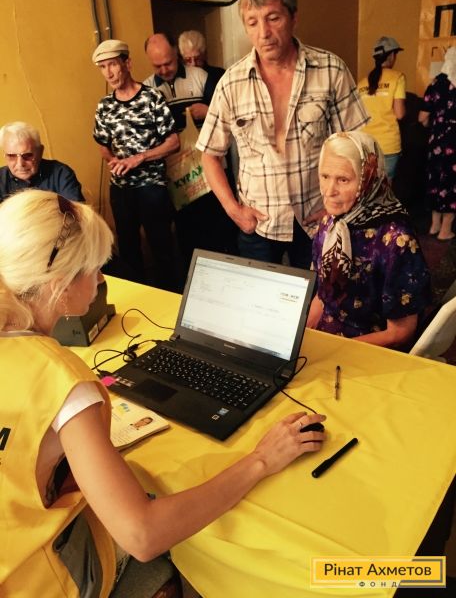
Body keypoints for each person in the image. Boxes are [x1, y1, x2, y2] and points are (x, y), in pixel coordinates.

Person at [0, 189, 326, 596]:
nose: (101, 280)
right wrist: (262, 459)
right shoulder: (63, 383)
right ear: (61, 285)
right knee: (175, 533)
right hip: (33, 579)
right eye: (95, 268)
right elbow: (143, 535)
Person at [197, 0, 369, 270]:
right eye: (252, 22)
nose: (263, 33)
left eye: (273, 18)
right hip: (258, 223)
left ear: (293, 18)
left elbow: (358, 147)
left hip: (317, 218)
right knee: (260, 296)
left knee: (320, 293)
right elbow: (209, 155)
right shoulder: (231, 83)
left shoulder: (330, 70)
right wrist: (234, 210)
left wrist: (340, 206)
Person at [307, 131, 431, 349]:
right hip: (328, 340)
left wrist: (333, 350)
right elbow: (322, 297)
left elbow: (400, 333)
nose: (329, 191)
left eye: (343, 179)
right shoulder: (331, 223)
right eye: (325, 176)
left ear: (368, 179)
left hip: (368, 348)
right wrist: (304, 337)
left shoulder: (396, 241)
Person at [144, 33, 238, 277]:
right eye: (157, 66)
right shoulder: (147, 89)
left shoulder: (201, 77)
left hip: (210, 169)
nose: (164, 70)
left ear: (176, 55)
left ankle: (226, 276)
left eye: (168, 63)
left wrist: (207, 110)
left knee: (219, 229)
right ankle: (195, 280)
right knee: (187, 234)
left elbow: (229, 115)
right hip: (177, 177)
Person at [92, 39, 180, 291]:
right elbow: (103, 145)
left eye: (112, 65)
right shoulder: (104, 106)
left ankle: (170, 297)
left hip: (152, 186)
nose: (108, 73)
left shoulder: (152, 97)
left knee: (162, 247)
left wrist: (140, 158)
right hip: (121, 190)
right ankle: (138, 299)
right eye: (102, 67)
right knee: (128, 249)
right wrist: (114, 161)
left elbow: (173, 142)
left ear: (127, 63)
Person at [418, 45, 456, 242]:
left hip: (436, 139)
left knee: (435, 179)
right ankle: (446, 230)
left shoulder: (435, 83)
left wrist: (435, 126)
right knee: (452, 183)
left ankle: (434, 225)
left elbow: (422, 117)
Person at [357, 36, 406, 180]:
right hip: (388, 144)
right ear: (391, 56)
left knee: (367, 186)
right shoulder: (397, 77)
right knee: (385, 187)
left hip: (365, 144)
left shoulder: (361, 83)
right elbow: (400, 114)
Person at [0, 121, 84, 202]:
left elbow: (75, 211)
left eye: (27, 155)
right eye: (12, 156)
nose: (20, 164)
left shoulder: (61, 174)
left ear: (40, 152)